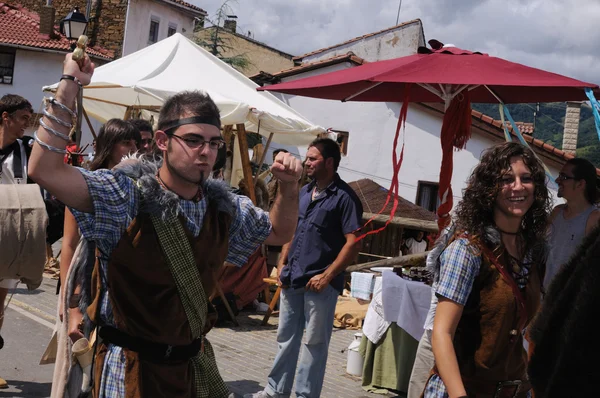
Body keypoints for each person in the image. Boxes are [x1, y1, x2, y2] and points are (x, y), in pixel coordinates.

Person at [29, 52, 302, 397]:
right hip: (127, 371)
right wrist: (70, 84)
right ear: (162, 141)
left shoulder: (224, 208)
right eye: (193, 140)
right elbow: (44, 170)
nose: (205, 151)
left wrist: (290, 188)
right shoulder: (125, 195)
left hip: (188, 371)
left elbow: (279, 232)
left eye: (214, 143)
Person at [423, 142, 550, 398]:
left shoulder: (534, 251)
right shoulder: (467, 250)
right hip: (464, 390)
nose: (517, 186)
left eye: (526, 178)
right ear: (488, 190)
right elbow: (442, 332)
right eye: (506, 179)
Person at [246, 138, 363, 398]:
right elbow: (291, 228)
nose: (306, 163)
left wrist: (328, 275)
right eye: (307, 158)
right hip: (293, 277)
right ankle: (275, 391)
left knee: (314, 344)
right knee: (285, 339)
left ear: (329, 162)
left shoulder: (345, 198)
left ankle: (304, 395)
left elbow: (353, 242)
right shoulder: (304, 192)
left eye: (313, 159)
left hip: (320, 284)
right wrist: (282, 261)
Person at [52, 119, 140, 398]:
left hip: (117, 285)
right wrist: (72, 302)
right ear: (109, 145)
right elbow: (69, 244)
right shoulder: (85, 183)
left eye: (137, 143)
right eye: (126, 142)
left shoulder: (139, 186)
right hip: (86, 275)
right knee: (78, 365)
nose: (133, 149)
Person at [0, 94, 33, 389]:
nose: (27, 124)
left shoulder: (27, 149)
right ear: (5, 117)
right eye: (23, 118)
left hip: (9, 237)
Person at [544, 158, 600, 288]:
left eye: (564, 177)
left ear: (580, 184)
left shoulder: (594, 219)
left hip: (568, 304)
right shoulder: (556, 212)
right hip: (545, 299)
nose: (557, 180)